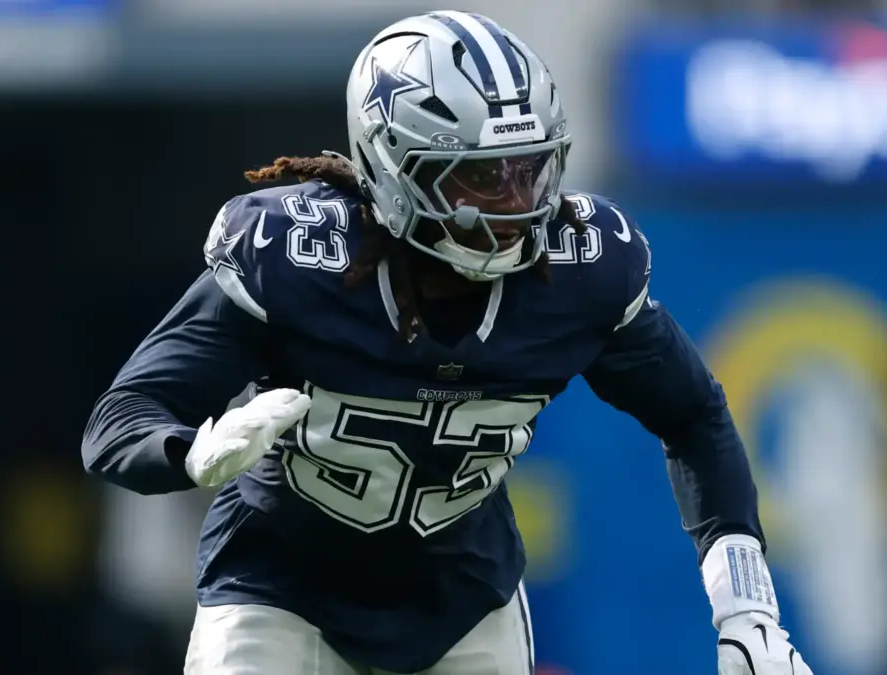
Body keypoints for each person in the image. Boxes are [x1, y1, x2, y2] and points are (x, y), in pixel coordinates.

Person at [82, 10, 814, 675]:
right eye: (480, 177)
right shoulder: (297, 262)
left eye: (528, 171)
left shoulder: (579, 273)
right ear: (393, 171)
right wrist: (190, 452)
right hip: (280, 590)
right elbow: (119, 423)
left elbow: (694, 415)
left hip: (464, 601)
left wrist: (746, 608)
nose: (516, 203)